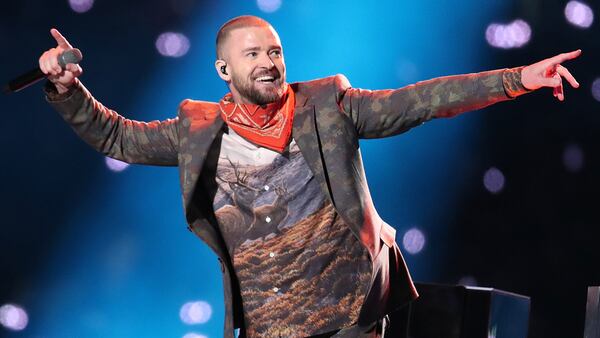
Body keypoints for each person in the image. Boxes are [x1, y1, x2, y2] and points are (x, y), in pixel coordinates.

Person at [39, 15, 580, 338]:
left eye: (275, 50)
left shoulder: (329, 105)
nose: (269, 62)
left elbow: (421, 101)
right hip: (271, 320)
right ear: (223, 71)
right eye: (253, 54)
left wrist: (517, 78)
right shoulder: (198, 130)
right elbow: (118, 137)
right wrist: (68, 91)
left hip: (351, 311)